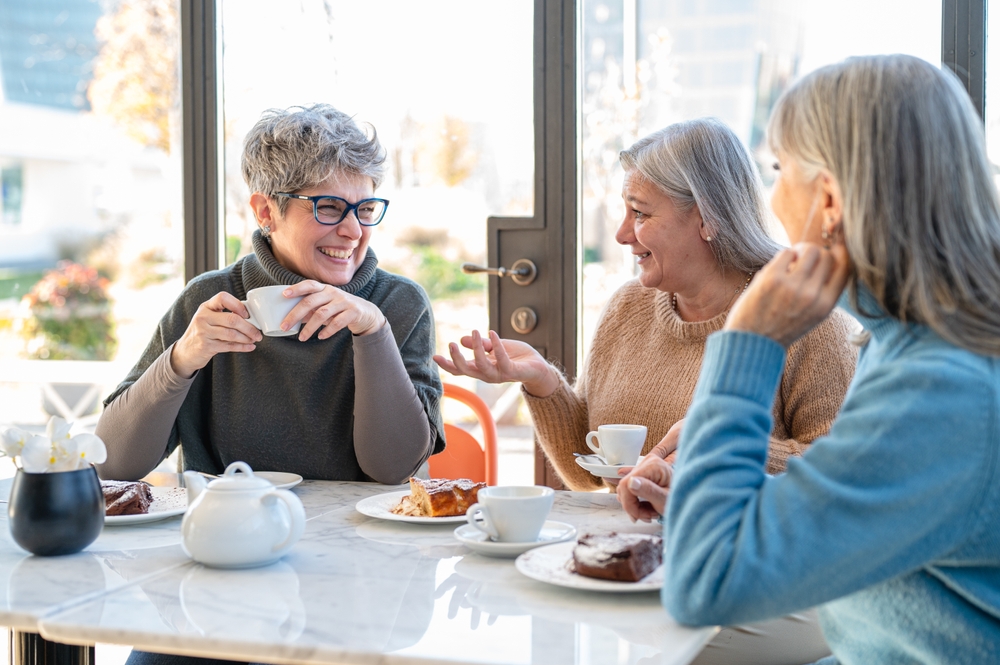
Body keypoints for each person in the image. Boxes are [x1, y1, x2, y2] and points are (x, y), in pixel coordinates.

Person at [622, 55, 1000, 663]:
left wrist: (748, 345)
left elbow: (703, 585)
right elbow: (868, 494)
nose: (771, 197)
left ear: (828, 198)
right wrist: (711, 488)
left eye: (778, 168)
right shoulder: (915, 341)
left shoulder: (943, 388)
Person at [436, 118, 857, 493]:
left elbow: (842, 475)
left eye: (639, 213)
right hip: (622, 557)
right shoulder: (628, 307)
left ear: (708, 217)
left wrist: (715, 447)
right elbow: (589, 475)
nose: (620, 234)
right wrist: (543, 381)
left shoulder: (810, 322)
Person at [96, 104, 444, 486]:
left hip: (359, 539)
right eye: (329, 207)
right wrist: (181, 360)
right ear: (266, 211)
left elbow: (393, 469)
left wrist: (373, 332)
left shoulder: (398, 304)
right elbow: (112, 465)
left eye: (365, 209)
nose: (354, 231)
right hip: (227, 534)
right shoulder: (211, 299)